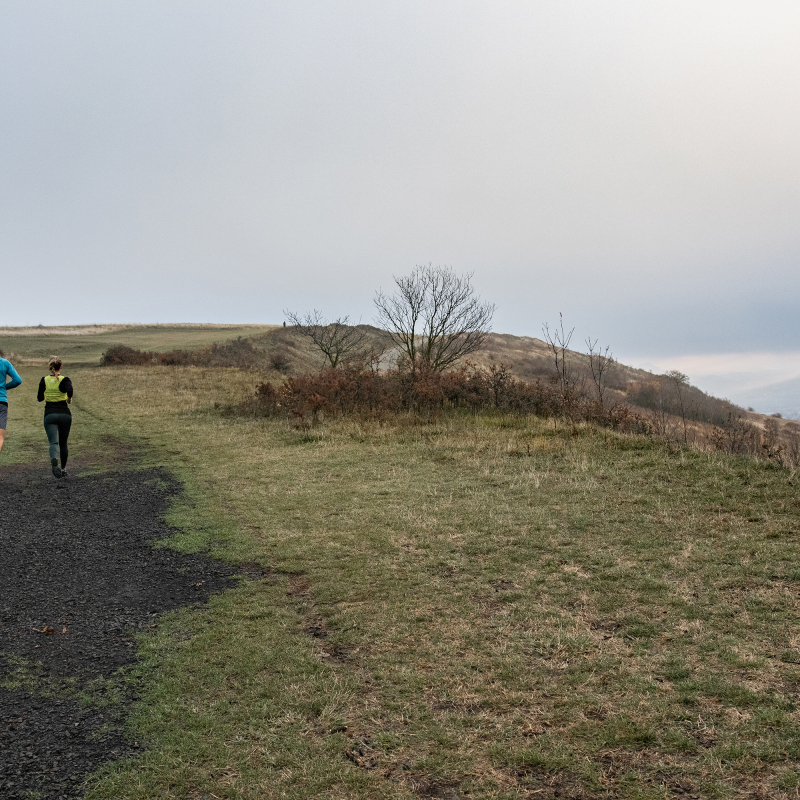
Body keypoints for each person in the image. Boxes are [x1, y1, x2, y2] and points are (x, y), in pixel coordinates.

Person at [37, 356, 74, 479]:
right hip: (64, 415)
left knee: (53, 442)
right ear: (61, 366)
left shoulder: (44, 380)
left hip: (50, 415)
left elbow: (39, 398)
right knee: (63, 444)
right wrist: (69, 398)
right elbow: (70, 390)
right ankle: (63, 470)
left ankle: (54, 460)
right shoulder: (65, 379)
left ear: (50, 367)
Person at [0, 353, 23, 458]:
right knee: (0, 437)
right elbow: (18, 380)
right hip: (2, 402)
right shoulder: (5, 363)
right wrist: (4, 387)